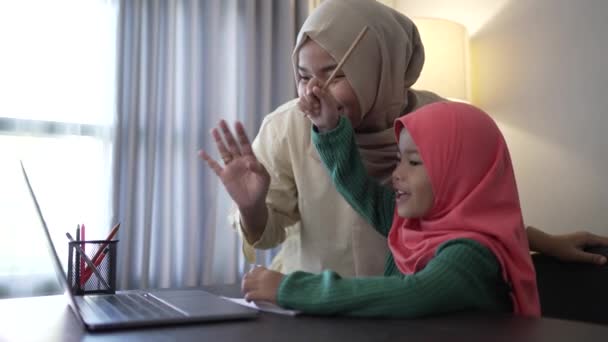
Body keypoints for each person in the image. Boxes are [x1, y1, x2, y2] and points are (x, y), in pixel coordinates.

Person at [199, 0, 608, 280]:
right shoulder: (286, 126)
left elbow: (466, 219)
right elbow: (266, 234)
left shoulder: (440, 120)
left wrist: (543, 242)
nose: (312, 93)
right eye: (304, 76)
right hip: (310, 310)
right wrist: (252, 207)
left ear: (383, 65)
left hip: (412, 308)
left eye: (335, 74)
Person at [238, 101, 540, 317]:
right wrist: (328, 128)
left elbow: (412, 294)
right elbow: (358, 187)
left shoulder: (470, 254)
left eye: (415, 162)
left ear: (459, 172)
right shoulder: (413, 226)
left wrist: (290, 288)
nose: (397, 173)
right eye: (399, 159)